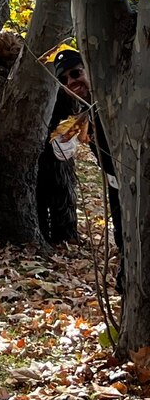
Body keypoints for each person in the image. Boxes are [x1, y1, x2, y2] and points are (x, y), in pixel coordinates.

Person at [47, 48, 124, 290]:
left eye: (76, 73)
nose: (72, 81)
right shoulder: (85, 112)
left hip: (136, 188)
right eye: (65, 79)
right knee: (124, 242)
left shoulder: (114, 102)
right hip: (116, 190)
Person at [35, 81, 80, 244]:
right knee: (42, 190)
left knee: (61, 187)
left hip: (58, 136)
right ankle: (48, 232)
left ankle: (64, 235)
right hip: (41, 139)